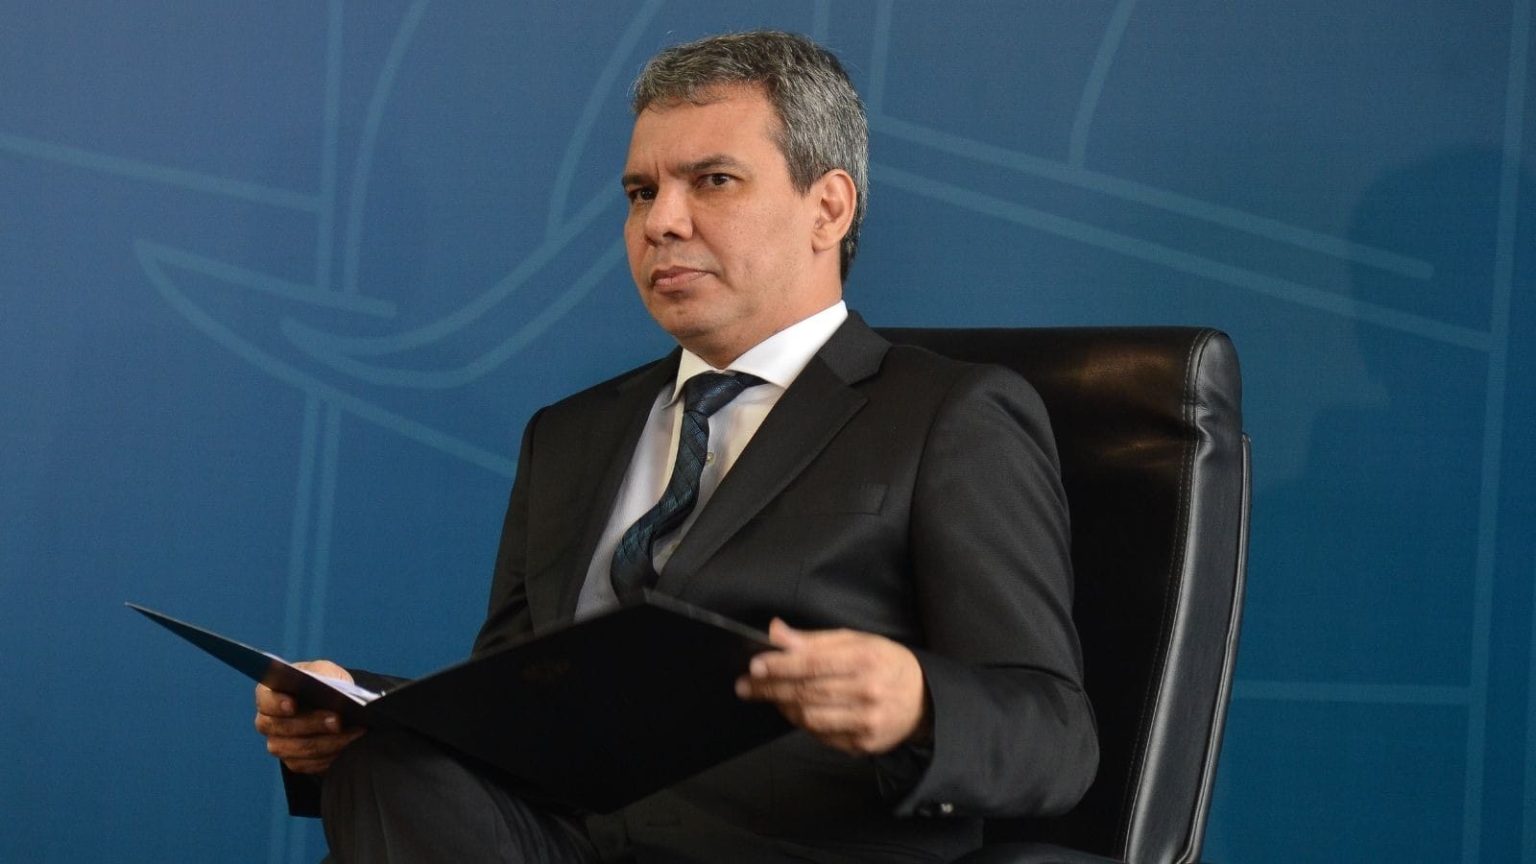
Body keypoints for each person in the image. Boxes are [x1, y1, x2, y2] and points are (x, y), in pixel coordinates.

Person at [255, 30, 1097, 863]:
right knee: (386, 764)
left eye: (713, 181)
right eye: (640, 191)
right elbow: (505, 707)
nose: (661, 221)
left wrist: (918, 702)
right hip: (558, 841)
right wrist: (357, 710)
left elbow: (1055, 737)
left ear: (828, 208)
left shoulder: (947, 414)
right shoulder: (569, 435)